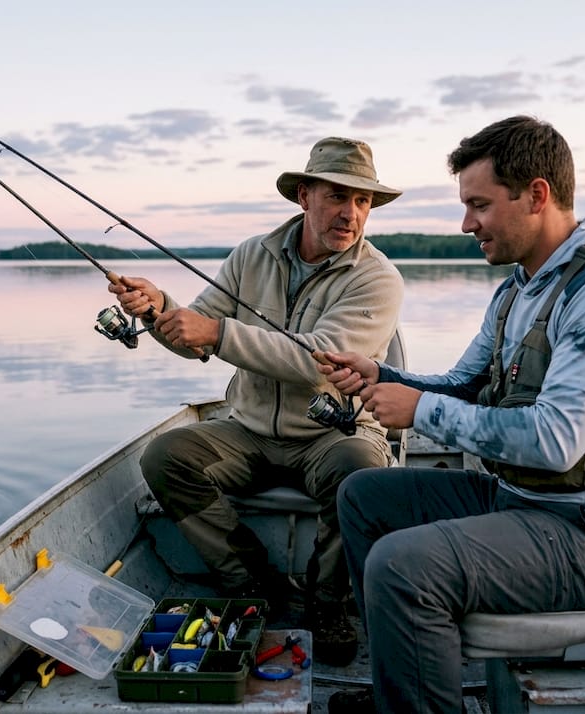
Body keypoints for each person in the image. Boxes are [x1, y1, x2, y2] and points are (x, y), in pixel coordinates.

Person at [317, 116, 585, 713]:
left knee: (402, 567)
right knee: (364, 497)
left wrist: (421, 411)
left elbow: (556, 442)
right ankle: (398, 693)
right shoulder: (520, 287)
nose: (466, 224)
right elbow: (463, 384)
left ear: (536, 195)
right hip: (524, 502)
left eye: (479, 204)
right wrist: (386, 378)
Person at [108, 137, 405, 665]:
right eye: (338, 195)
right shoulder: (252, 255)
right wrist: (158, 310)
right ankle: (249, 581)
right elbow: (194, 335)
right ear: (303, 196)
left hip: (331, 434)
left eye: (362, 201)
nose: (351, 213)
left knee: (362, 471)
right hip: (248, 431)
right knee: (165, 457)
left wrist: (217, 332)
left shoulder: (378, 277)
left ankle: (327, 600)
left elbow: (319, 361)